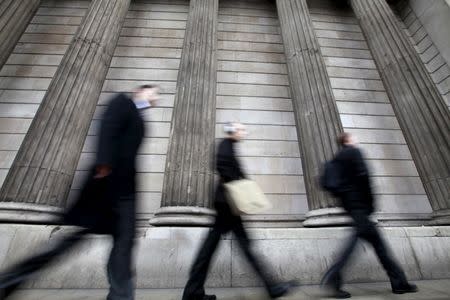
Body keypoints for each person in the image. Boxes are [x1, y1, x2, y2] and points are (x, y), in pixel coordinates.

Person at [0, 84, 160, 300]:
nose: (156, 97)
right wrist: (103, 165)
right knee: (70, 242)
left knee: (124, 242)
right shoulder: (121, 102)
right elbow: (107, 128)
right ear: (141, 91)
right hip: (105, 185)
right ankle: (9, 281)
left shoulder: (139, 116)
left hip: (124, 193)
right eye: (154, 92)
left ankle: (120, 296)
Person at [182, 122, 298, 300]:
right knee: (239, 247)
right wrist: (241, 183)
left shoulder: (229, 146)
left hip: (227, 204)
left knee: (227, 247)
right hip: (227, 203)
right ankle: (273, 287)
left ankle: (193, 291)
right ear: (232, 131)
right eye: (241, 129)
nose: (244, 132)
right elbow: (222, 166)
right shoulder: (225, 145)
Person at [320, 132, 418, 299]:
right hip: (361, 206)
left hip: (351, 206)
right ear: (347, 140)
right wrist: (371, 203)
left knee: (378, 246)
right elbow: (364, 176)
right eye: (353, 137)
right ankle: (333, 276)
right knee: (358, 245)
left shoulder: (338, 158)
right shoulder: (353, 152)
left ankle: (399, 282)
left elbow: (336, 185)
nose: (356, 139)